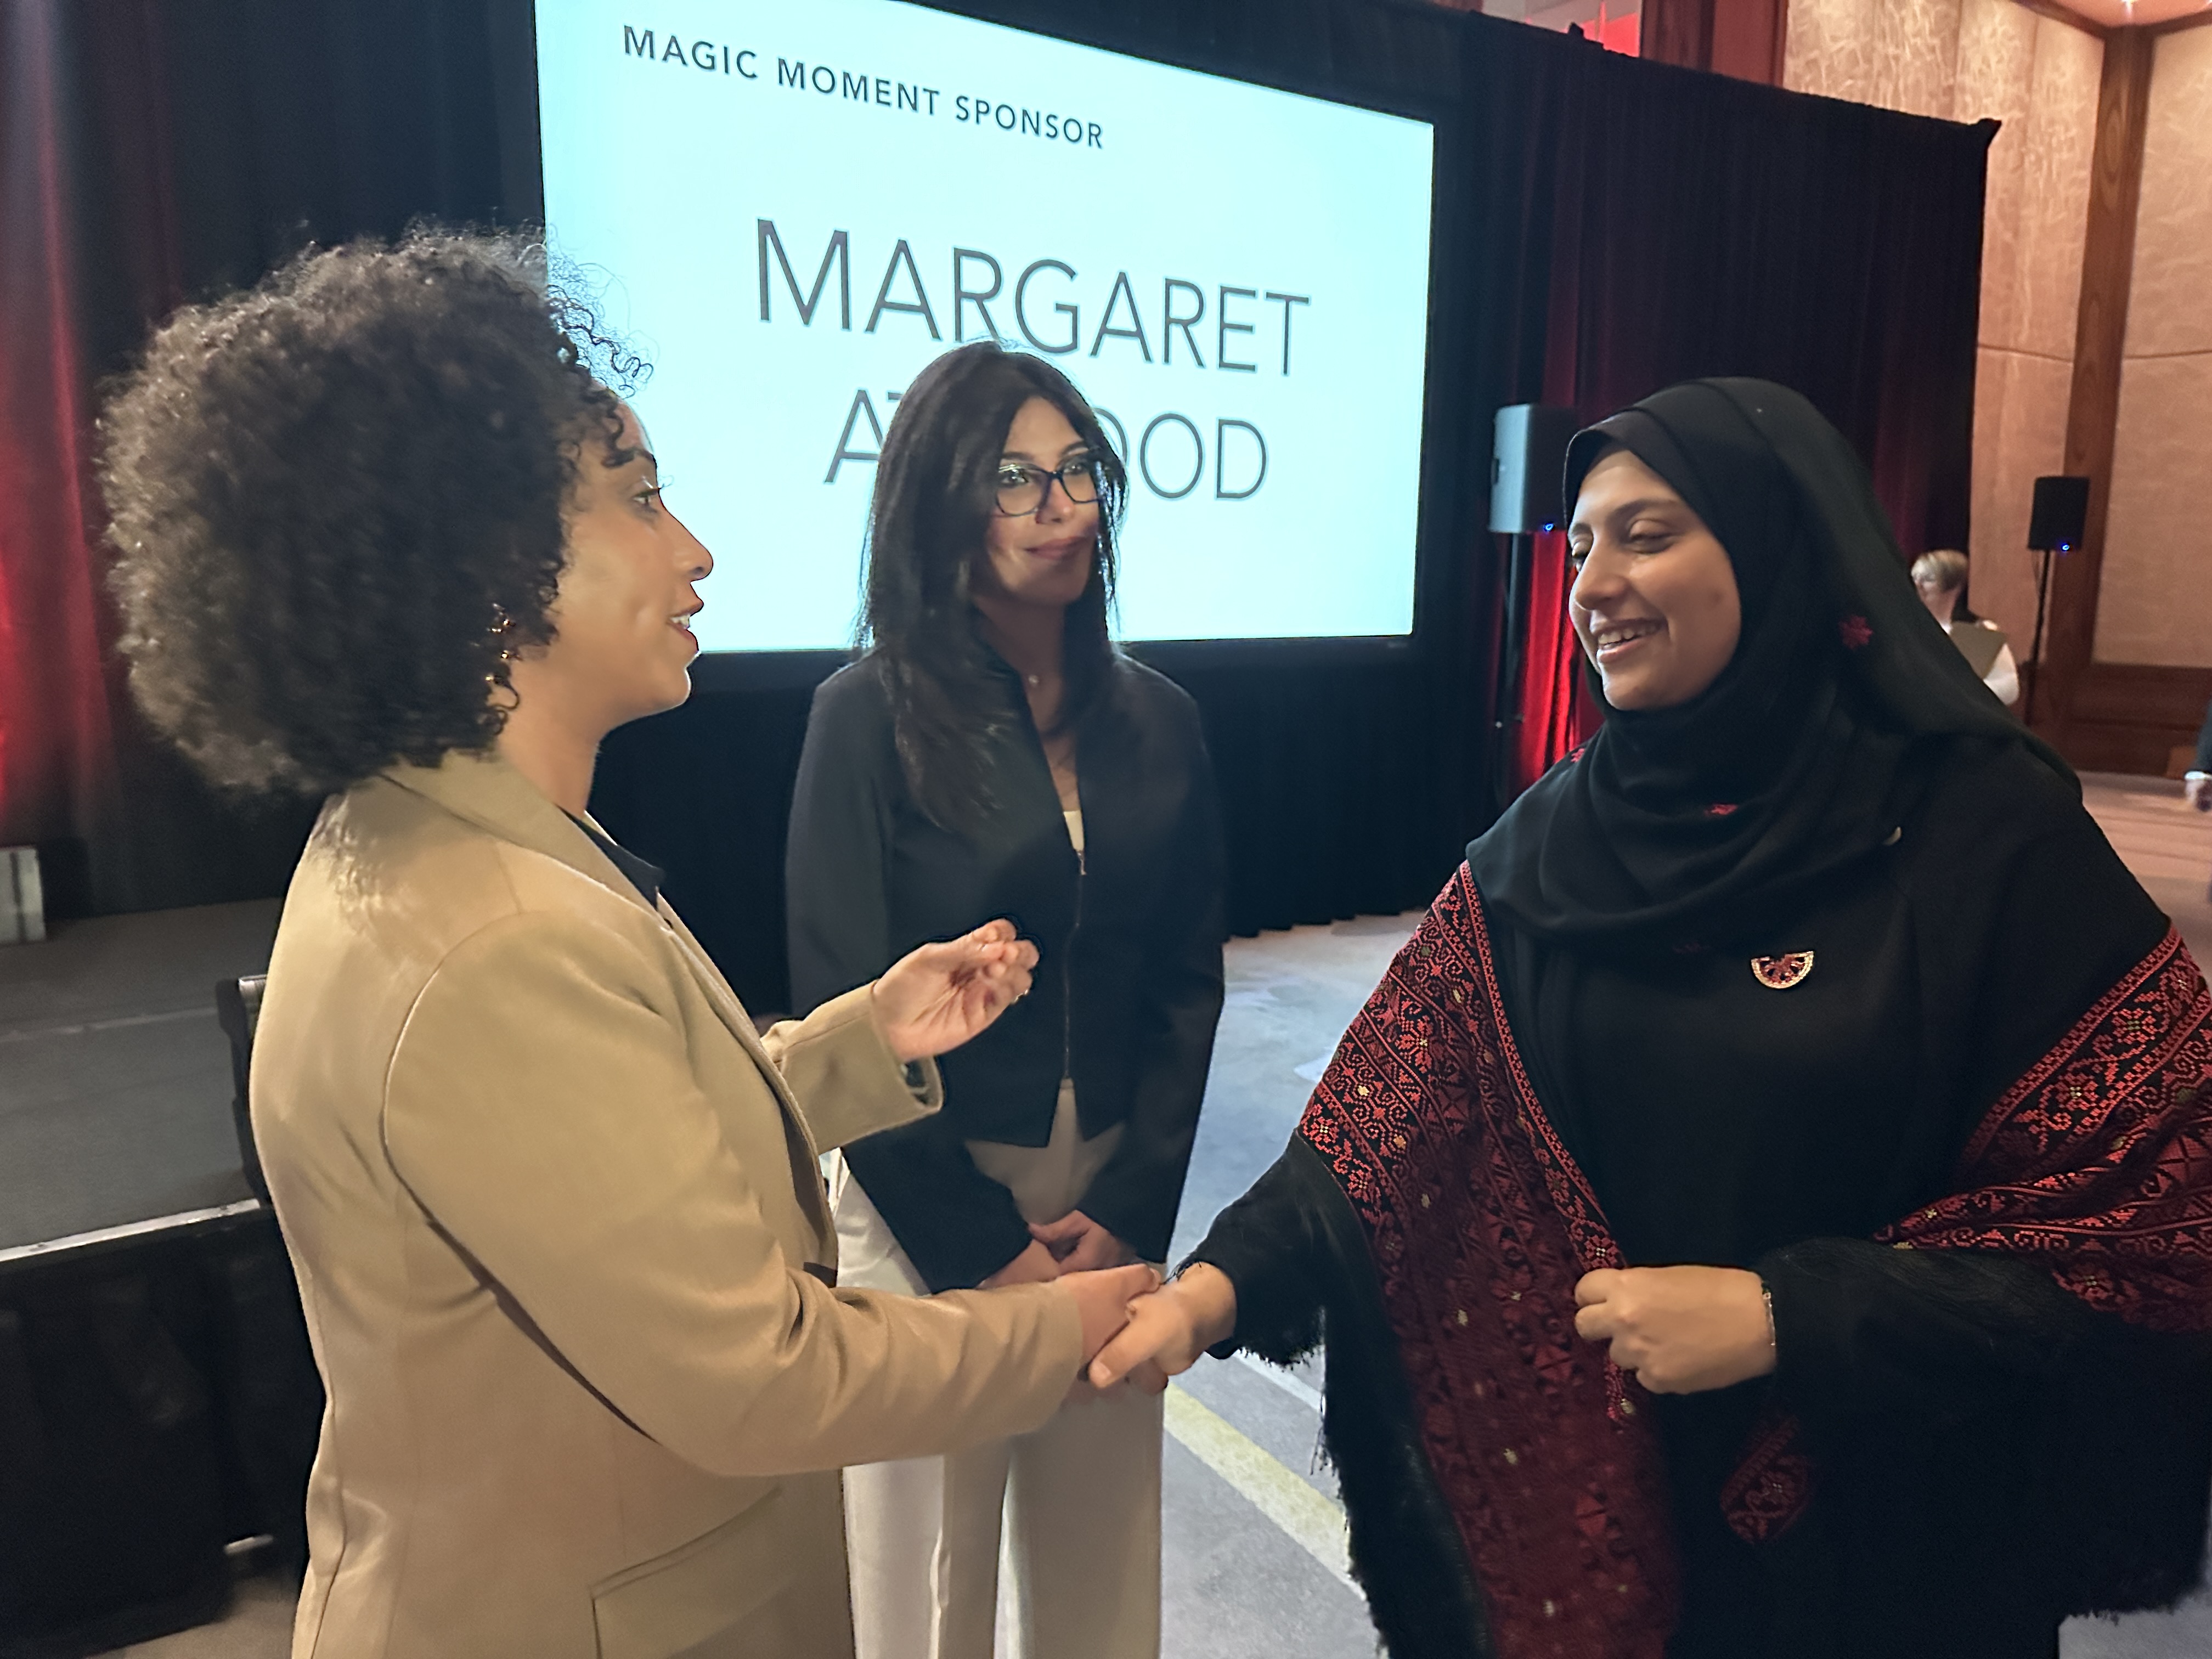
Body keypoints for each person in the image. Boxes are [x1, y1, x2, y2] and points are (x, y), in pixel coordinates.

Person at [98, 232, 1158, 1659]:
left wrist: (854, 1047)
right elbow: (759, 1374)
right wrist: (1070, 1324)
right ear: (486, 568)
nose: (696, 548)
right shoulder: (490, 939)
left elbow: (611, 1171)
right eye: (642, 500)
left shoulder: (464, 836)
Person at [1091, 379, 2212, 1659]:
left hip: (1897, 1556)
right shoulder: (1549, 849)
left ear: (1778, 541)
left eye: (1650, 532)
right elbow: (1383, 1122)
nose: (1595, 583)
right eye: (1581, 547)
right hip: (1616, 1550)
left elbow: (2159, 1218)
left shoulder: (1982, 837)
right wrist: (1212, 1294)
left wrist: (1796, 1317)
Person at [786, 340, 1224, 1659]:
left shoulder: (1163, 722)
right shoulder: (862, 719)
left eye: (1079, 470)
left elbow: (1187, 990)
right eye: (1017, 477)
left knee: (1102, 1595)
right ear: (940, 504)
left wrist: (1133, 1208)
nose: (1062, 506)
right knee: (925, 1602)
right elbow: (840, 1000)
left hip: (1103, 1210)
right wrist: (993, 1255)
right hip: (931, 1224)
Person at [1912, 548, 2018, 707]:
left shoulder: (1980, 631)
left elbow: (2009, 690)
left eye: (1928, 579)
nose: (1918, 585)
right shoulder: (1906, 627)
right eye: (1914, 577)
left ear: (1953, 588)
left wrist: (1958, 690)